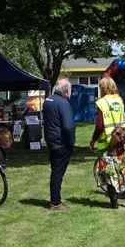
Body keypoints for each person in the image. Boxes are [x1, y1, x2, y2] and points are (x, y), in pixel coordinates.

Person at [91, 77, 125, 209]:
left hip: (107, 144)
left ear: (103, 88)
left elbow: (100, 126)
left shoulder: (101, 102)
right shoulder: (119, 100)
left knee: (109, 172)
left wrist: (93, 140)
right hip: (120, 141)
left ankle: (114, 203)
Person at [43, 79, 75, 210]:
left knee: (55, 170)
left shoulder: (48, 100)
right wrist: (71, 141)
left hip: (51, 140)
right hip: (61, 142)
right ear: (67, 91)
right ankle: (55, 202)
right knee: (57, 172)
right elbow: (68, 126)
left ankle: (55, 200)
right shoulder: (63, 103)